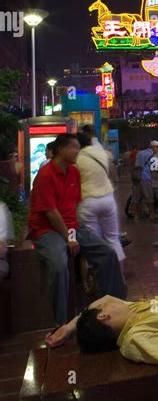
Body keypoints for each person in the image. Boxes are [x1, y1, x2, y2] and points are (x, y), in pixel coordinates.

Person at [27, 133, 127, 326]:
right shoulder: (45, 175)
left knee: (107, 253)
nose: (77, 151)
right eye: (73, 147)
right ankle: (62, 322)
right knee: (58, 265)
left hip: (70, 226)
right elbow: (51, 213)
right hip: (46, 230)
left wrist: (72, 235)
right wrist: (69, 238)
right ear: (60, 150)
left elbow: (71, 208)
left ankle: (116, 304)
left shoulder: (73, 172)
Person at [75, 132, 126, 268]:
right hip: (108, 199)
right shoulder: (101, 153)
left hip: (87, 201)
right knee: (113, 239)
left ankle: (97, 281)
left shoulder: (76, 158)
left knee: (92, 242)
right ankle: (120, 278)